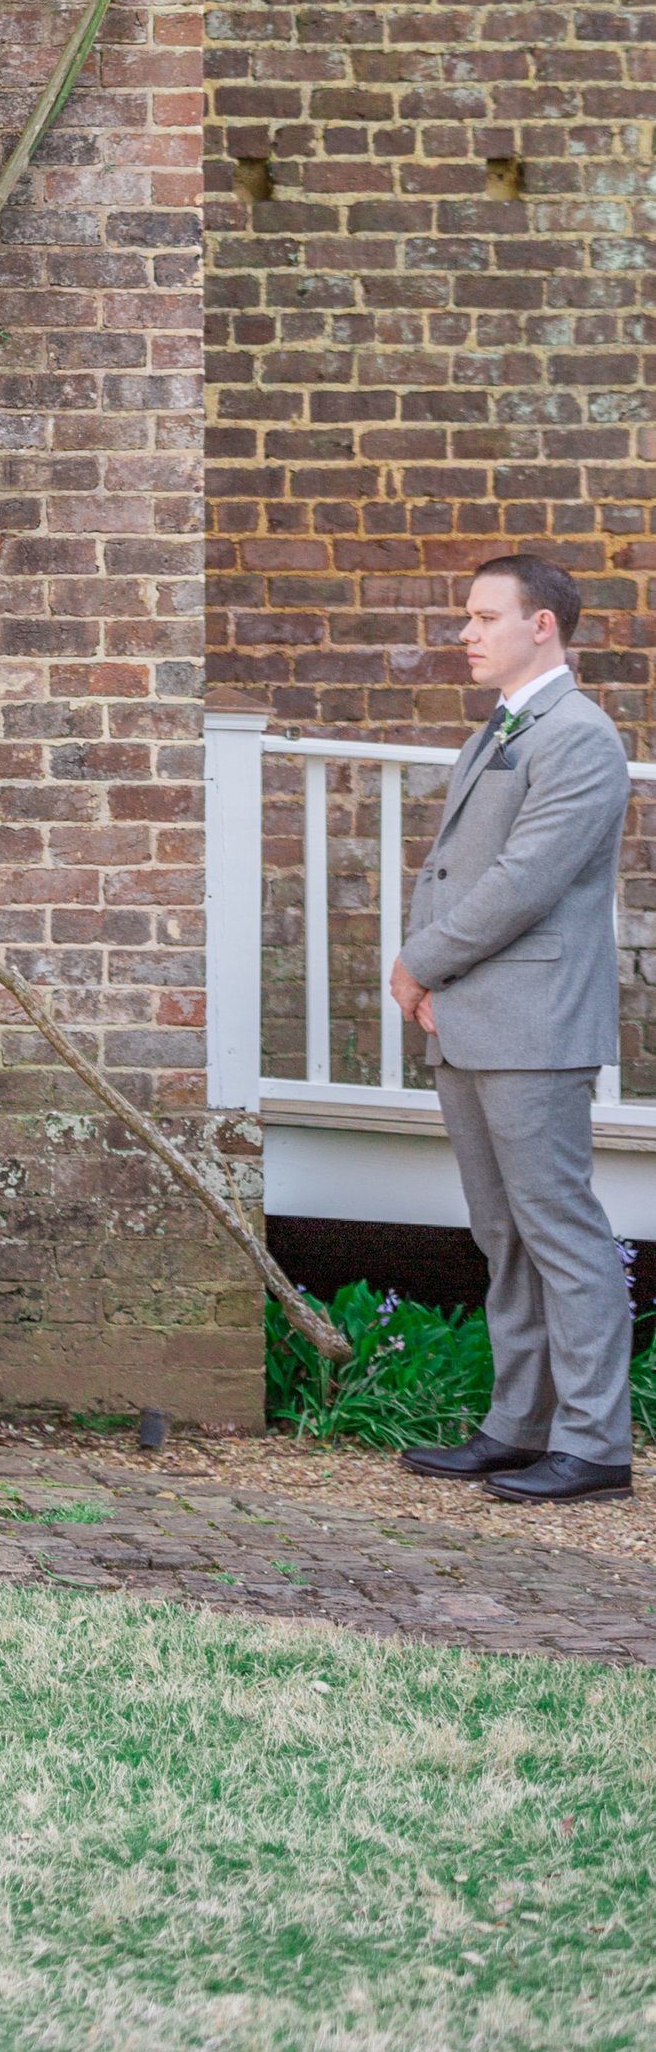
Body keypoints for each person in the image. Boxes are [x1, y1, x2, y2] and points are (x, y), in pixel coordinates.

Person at [390, 554, 636, 1504]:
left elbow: (521, 884)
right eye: (466, 617)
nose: (466, 633)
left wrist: (422, 961)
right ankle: (518, 1426)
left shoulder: (578, 737)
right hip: (473, 1020)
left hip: (533, 1025)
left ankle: (594, 1445)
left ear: (544, 627)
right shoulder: (502, 728)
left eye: (485, 616)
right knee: (505, 1235)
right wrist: (435, 982)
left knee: (560, 1233)